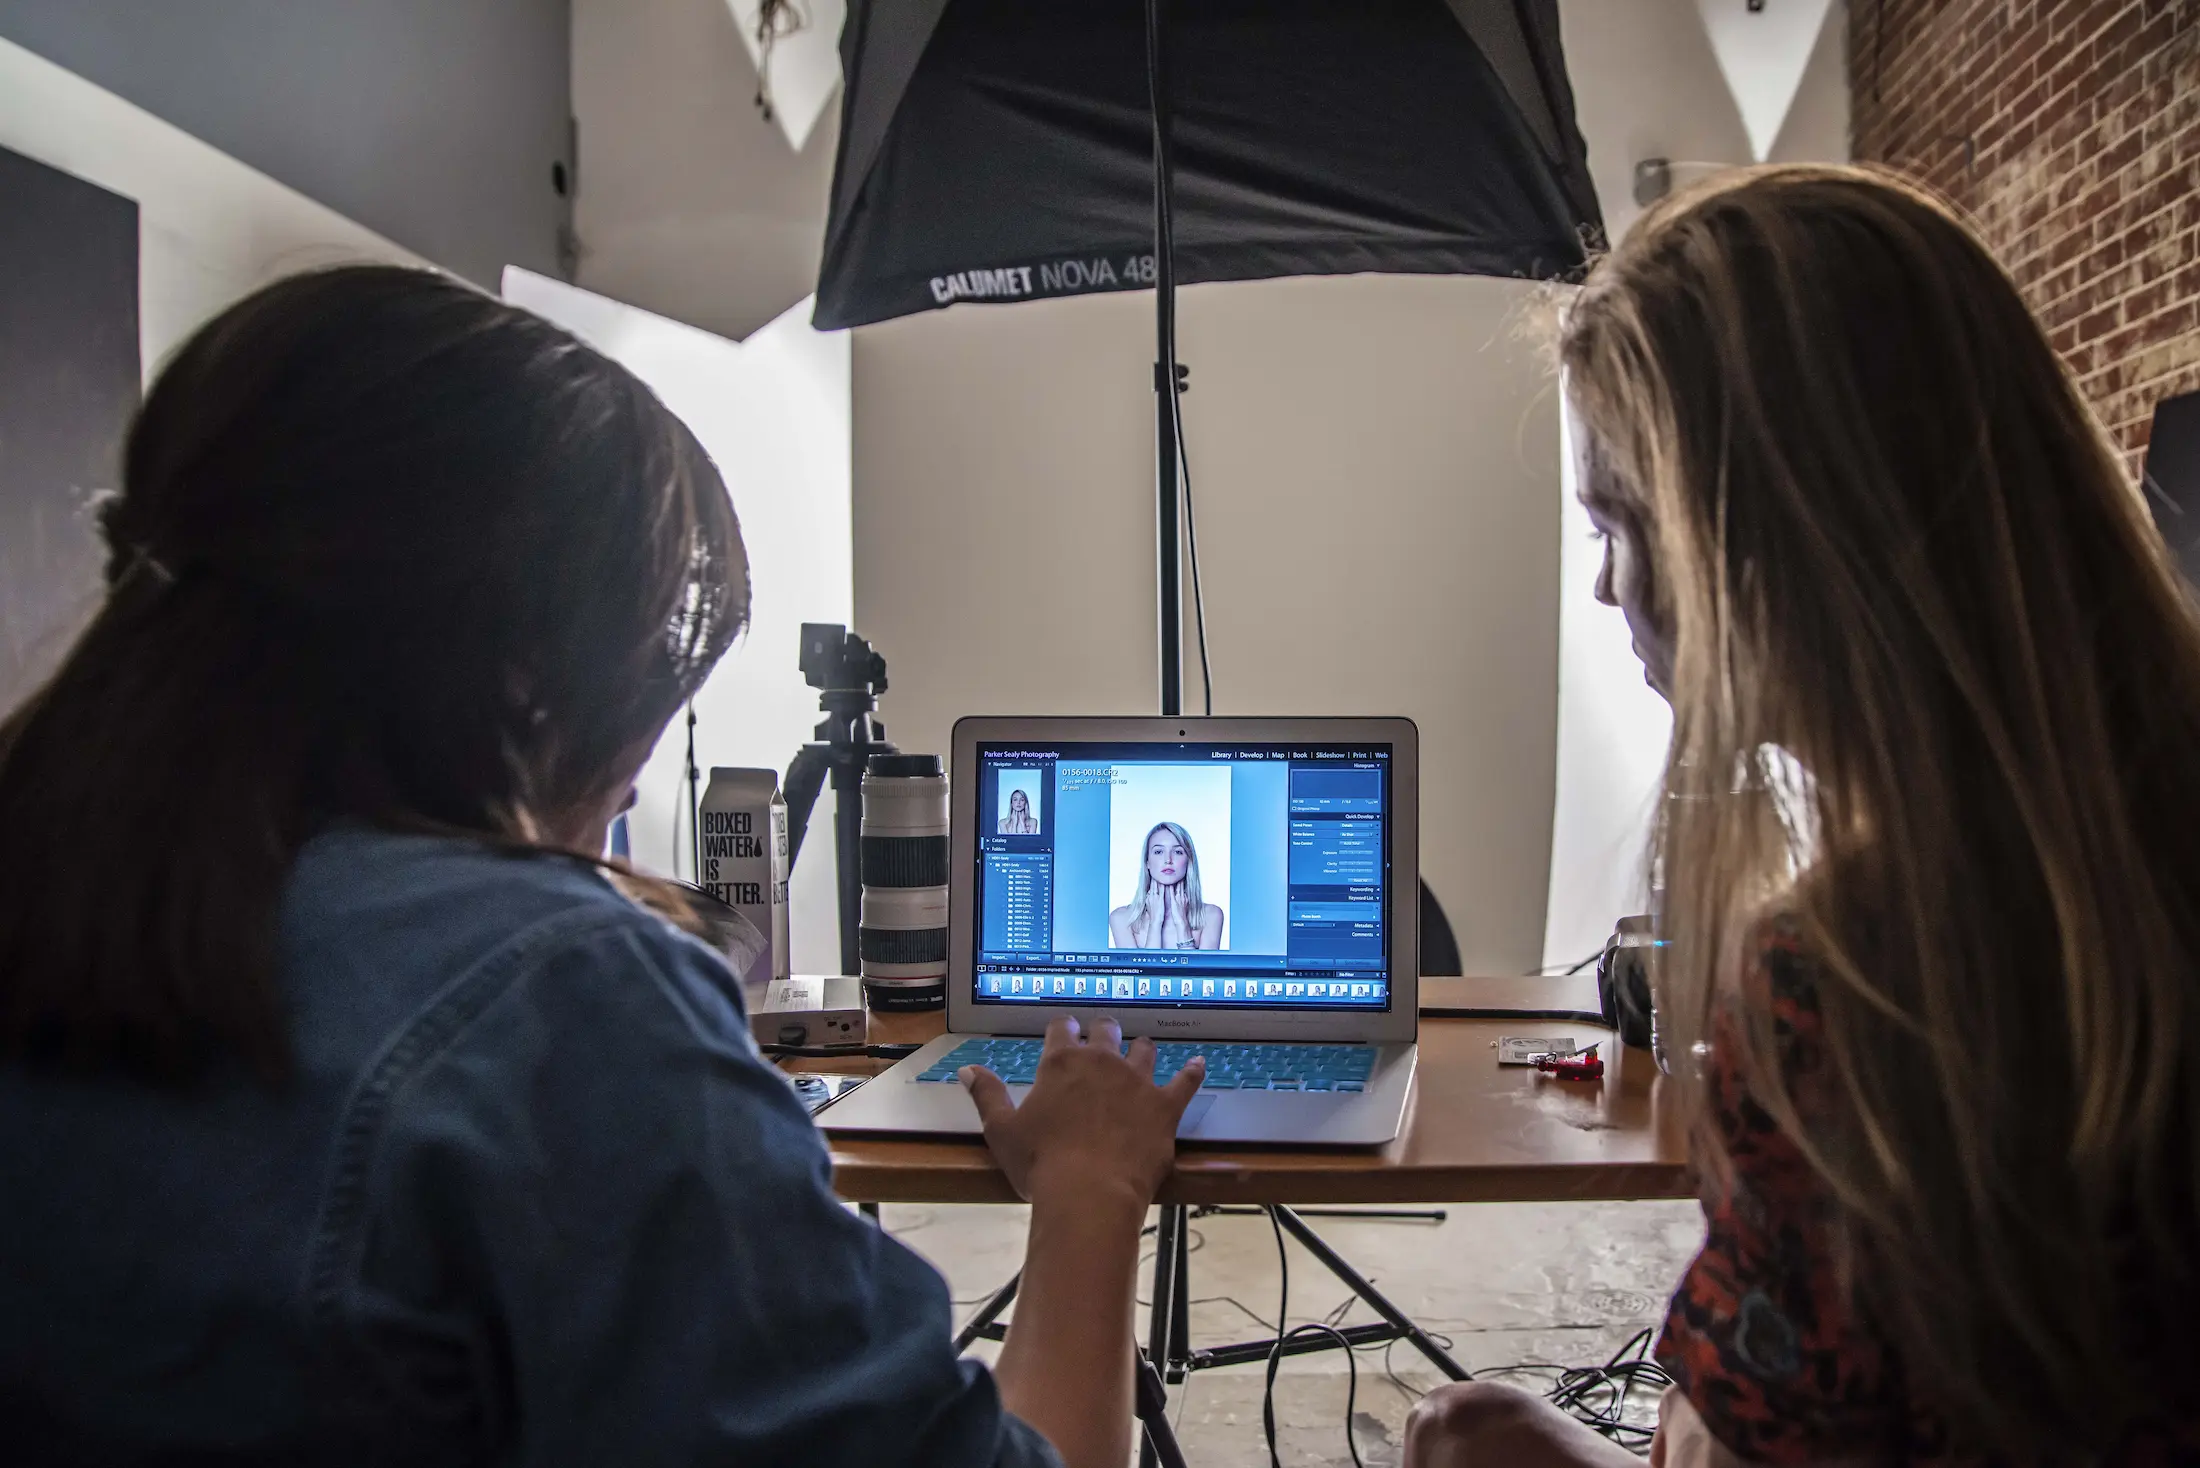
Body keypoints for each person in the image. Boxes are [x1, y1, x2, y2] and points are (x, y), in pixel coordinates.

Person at [0, 265, 1204, 1467]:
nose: (630, 784)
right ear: (523, 676)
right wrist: (1092, 1185)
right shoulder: (558, 995)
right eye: (645, 692)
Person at [1408, 164, 2200, 1466]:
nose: (1609, 589)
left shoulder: (1847, 986)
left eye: (1620, 524)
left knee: (1466, 1435)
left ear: (1767, 536)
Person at [1109, 821, 1224, 950]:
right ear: (1147, 862)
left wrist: (1182, 924)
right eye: (1158, 852)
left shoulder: (1211, 916)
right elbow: (1146, 971)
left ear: (1189, 861)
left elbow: (1199, 971)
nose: (1168, 860)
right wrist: (1155, 923)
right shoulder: (1122, 919)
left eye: (1178, 852)